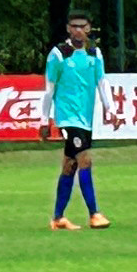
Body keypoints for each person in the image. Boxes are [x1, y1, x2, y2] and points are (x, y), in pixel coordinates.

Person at [44, 15, 110, 230]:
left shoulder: (94, 53)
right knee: (85, 160)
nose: (79, 30)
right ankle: (94, 214)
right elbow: (49, 88)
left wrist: (111, 109)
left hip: (85, 119)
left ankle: (57, 218)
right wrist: (45, 119)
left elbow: (101, 82)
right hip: (67, 118)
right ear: (68, 29)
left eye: (83, 26)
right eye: (74, 26)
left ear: (89, 28)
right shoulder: (59, 54)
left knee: (69, 166)